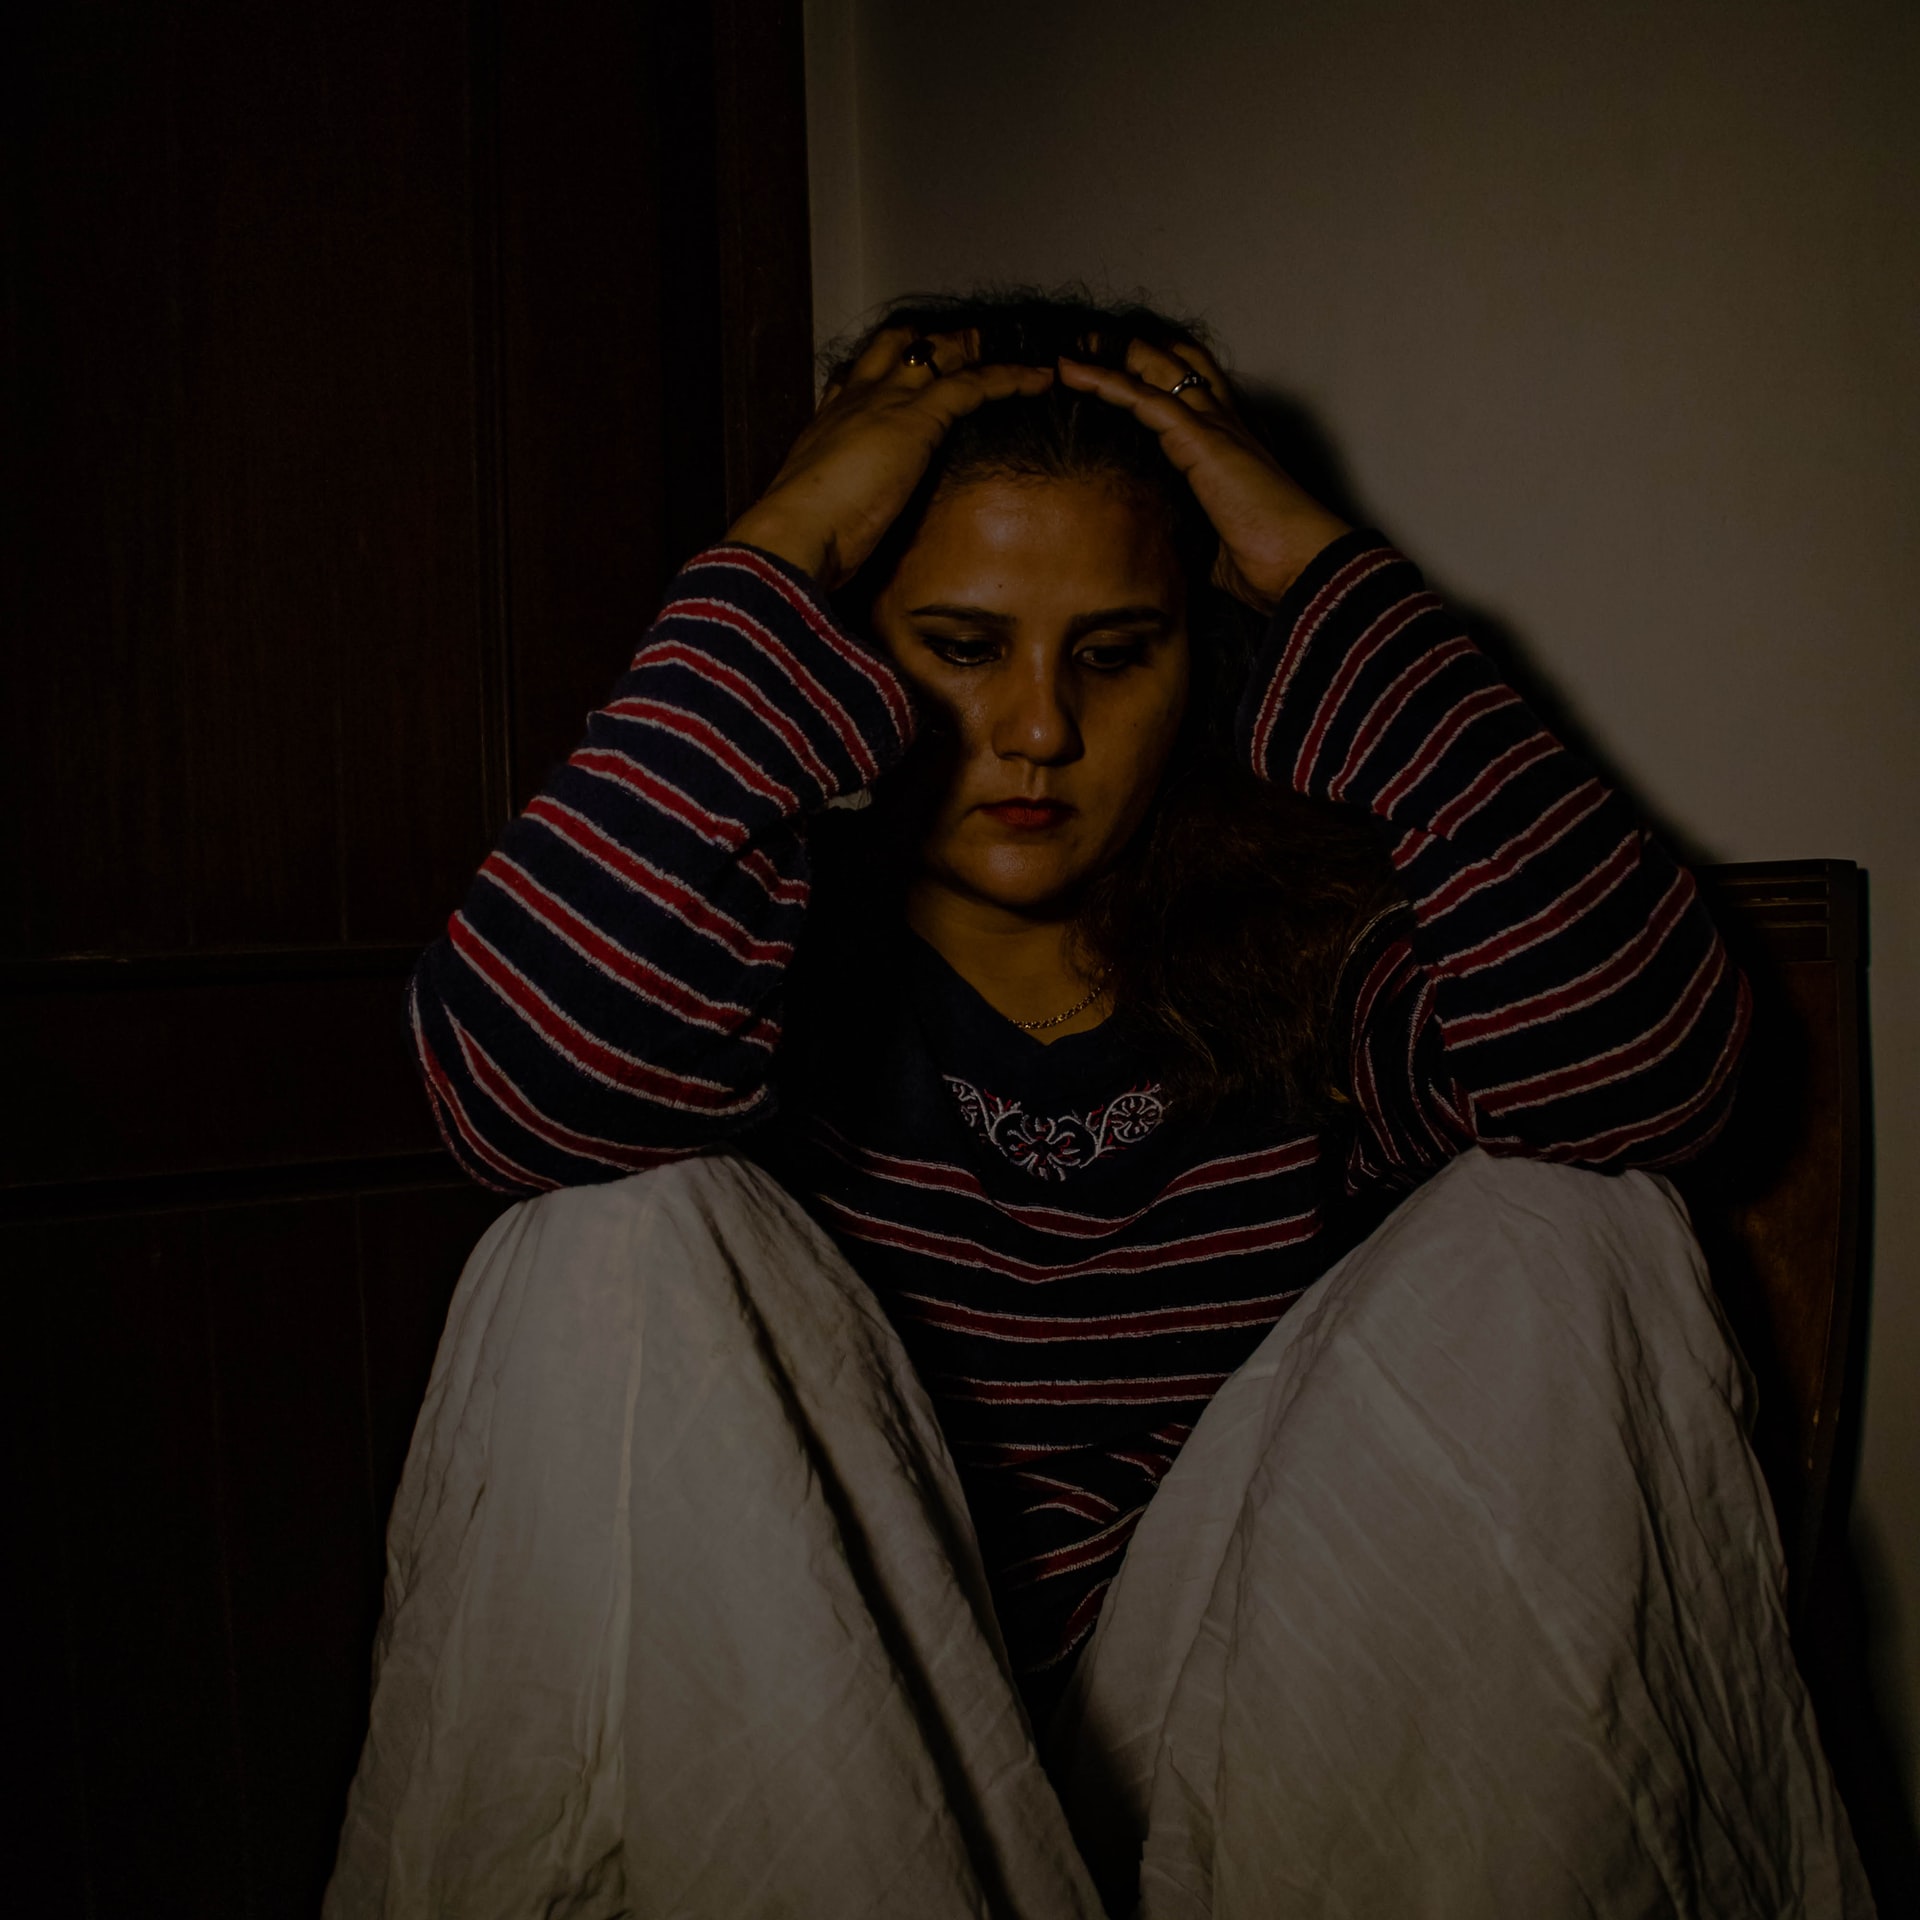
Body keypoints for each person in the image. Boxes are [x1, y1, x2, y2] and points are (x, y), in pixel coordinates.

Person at [337, 293, 1866, 1915]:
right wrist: (780, 542)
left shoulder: (1310, 953)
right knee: (602, 1236)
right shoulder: (742, 968)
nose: (1042, 730)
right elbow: (515, 1103)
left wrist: (1331, 582)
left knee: (1582, 1214)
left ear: (1201, 662)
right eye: (964, 647)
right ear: (849, 646)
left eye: (1115, 654)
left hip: (1253, 1739)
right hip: (833, 1740)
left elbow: (1655, 1077)